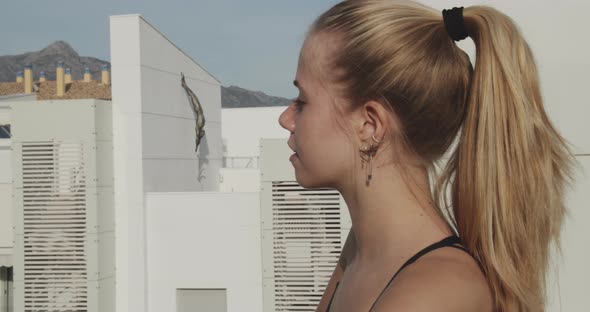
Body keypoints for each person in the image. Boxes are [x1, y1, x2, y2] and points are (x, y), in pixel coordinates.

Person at [278, 1, 578, 311]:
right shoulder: (362, 250)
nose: (286, 119)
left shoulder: (435, 293)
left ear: (370, 125)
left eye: (303, 100)